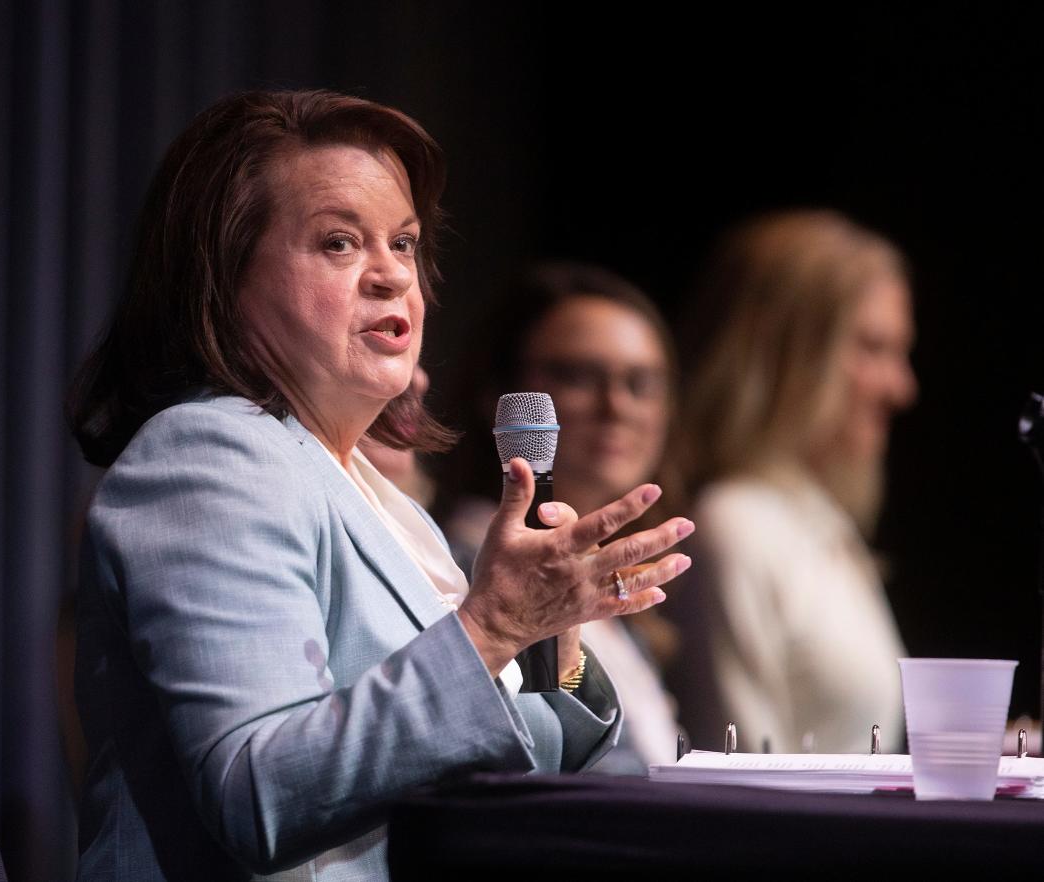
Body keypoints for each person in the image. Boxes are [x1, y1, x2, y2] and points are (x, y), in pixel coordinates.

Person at [66, 90, 694, 882]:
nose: (393, 275)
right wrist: (492, 626)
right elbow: (258, 791)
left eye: (403, 242)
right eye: (338, 243)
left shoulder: (362, 485)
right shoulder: (208, 458)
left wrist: (557, 651)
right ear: (223, 277)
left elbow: (457, 761)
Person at [666, 209, 917, 755]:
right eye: (873, 348)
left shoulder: (817, 520)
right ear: (783, 355)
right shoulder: (736, 526)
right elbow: (747, 779)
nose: (901, 387)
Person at [438, 262, 685, 771]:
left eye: (642, 383)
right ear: (502, 397)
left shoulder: (618, 582)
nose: (616, 405)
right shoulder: (463, 564)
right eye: (578, 376)